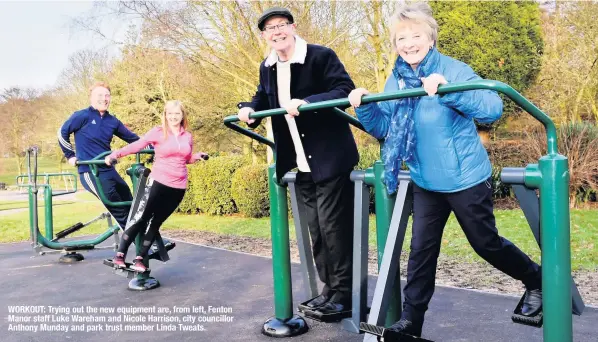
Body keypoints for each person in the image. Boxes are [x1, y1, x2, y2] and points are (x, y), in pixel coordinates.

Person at [348, 2, 542, 337]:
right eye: (401, 38)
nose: (408, 43)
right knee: (421, 251)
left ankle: (536, 280)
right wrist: (363, 105)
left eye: (416, 35)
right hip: (426, 180)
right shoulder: (395, 80)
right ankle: (412, 322)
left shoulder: (453, 69)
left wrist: (449, 92)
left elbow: (492, 107)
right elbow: (384, 128)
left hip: (465, 177)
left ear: (431, 38)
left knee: (485, 244)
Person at [236, 7, 359, 318]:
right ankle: (328, 291)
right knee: (315, 231)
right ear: (264, 36)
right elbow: (262, 98)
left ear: (291, 27)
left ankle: (344, 295)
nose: (276, 32)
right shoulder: (268, 67)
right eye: (269, 29)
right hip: (301, 162)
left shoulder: (319, 56)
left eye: (281, 25)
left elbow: (343, 89)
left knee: (333, 229)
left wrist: (308, 103)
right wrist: (248, 109)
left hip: (330, 158)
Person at [106, 100, 207, 272]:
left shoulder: (187, 137)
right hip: (158, 181)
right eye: (170, 113)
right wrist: (116, 154)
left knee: (156, 222)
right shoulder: (158, 132)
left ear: (182, 115)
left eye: (177, 113)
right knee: (141, 217)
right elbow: (137, 145)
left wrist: (196, 156)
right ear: (165, 115)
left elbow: (185, 158)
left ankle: (140, 259)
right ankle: (120, 255)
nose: (173, 117)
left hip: (178, 187)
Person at [58, 82, 141, 231]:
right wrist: (70, 155)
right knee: (117, 207)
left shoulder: (112, 121)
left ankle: (150, 239)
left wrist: (157, 147)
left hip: (109, 170)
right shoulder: (82, 116)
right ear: (91, 98)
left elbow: (133, 139)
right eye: (100, 95)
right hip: (91, 171)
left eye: (107, 95)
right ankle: (140, 244)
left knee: (130, 201)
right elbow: (62, 132)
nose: (104, 99)